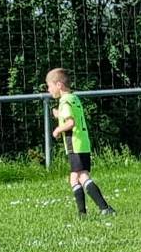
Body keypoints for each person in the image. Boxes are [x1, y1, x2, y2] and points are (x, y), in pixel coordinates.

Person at [46, 68, 115, 218]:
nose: (48, 90)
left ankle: (104, 208)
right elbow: (72, 116)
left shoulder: (64, 101)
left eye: (49, 86)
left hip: (74, 144)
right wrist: (59, 115)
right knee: (74, 178)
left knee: (82, 176)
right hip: (82, 142)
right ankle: (82, 214)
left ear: (59, 85)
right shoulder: (74, 98)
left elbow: (70, 122)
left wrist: (57, 130)